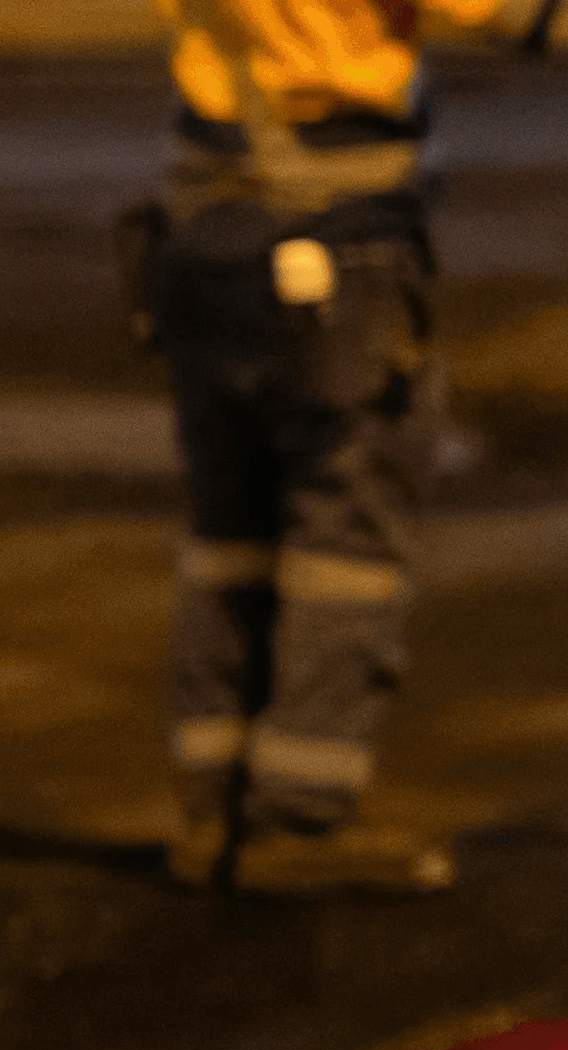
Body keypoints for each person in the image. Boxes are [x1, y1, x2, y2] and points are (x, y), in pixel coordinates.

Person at [142, 0, 517, 897]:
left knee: (231, 527)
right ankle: (297, 817)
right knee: (343, 534)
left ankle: (214, 806)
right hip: (330, 229)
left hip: (202, 216)